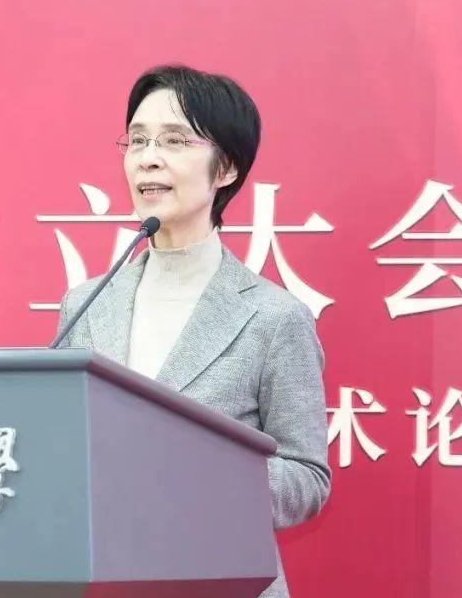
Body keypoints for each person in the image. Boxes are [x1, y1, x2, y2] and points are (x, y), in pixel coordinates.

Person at [53, 65, 330, 598]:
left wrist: (196, 470)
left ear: (225, 168)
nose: (148, 157)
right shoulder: (86, 303)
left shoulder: (274, 317)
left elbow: (307, 480)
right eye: (137, 140)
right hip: (105, 580)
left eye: (175, 141)